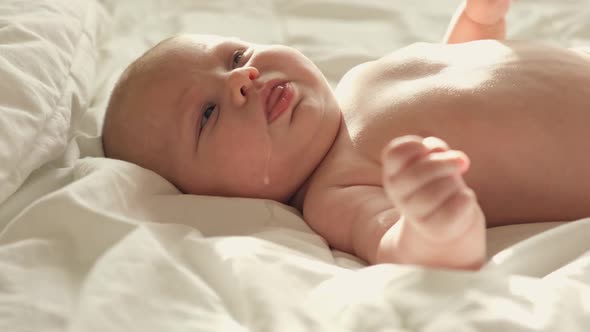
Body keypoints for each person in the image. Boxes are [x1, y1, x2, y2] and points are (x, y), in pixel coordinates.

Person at [101, 0, 590, 270]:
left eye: (235, 57)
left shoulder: (357, 79)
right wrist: (431, 220)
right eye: (207, 114)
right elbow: (400, 247)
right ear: (207, 195)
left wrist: (480, 24)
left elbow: (457, 74)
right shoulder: (334, 194)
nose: (241, 79)